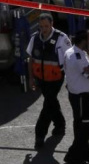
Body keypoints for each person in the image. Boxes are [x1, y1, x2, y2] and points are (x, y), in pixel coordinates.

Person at [26, 12, 71, 149]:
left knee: (47, 105)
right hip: (41, 79)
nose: (43, 29)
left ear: (52, 24)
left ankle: (39, 135)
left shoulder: (62, 38)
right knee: (51, 102)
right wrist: (31, 78)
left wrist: (70, 80)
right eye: (41, 26)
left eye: (46, 26)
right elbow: (30, 59)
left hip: (56, 78)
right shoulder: (35, 38)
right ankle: (60, 125)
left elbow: (70, 60)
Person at [63, 29, 89, 164]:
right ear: (84, 41)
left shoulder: (71, 52)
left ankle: (86, 154)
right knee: (86, 127)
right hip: (84, 98)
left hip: (76, 95)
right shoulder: (79, 57)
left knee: (80, 125)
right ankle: (72, 155)